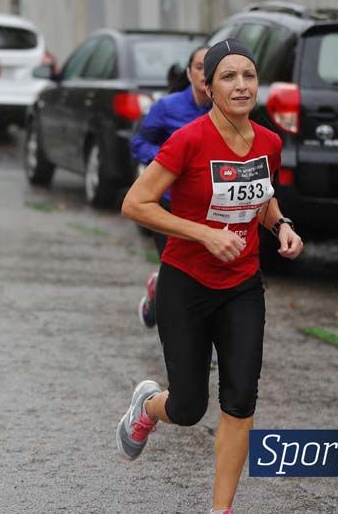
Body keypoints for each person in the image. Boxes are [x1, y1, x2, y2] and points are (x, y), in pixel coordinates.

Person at [115, 39, 303, 514]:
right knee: (189, 408)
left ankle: (221, 510)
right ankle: (148, 405)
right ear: (209, 86)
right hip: (186, 284)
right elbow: (135, 204)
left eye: (249, 76)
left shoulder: (269, 142)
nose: (241, 85)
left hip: (242, 286)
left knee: (241, 400)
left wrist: (280, 225)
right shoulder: (189, 140)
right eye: (228, 77)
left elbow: (261, 197)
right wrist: (203, 234)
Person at [130, 45, 209, 327]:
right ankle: (180, 334)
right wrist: (167, 162)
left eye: (210, 66)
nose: (204, 73)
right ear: (189, 73)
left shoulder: (227, 112)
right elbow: (138, 143)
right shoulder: (167, 107)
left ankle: (160, 291)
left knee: (201, 274)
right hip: (167, 203)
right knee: (179, 273)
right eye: (199, 66)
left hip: (207, 205)